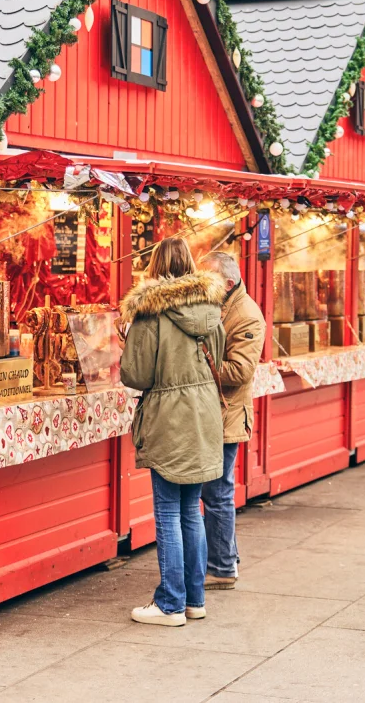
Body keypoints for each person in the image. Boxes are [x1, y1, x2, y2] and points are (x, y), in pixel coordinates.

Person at [120, 237, 226, 627]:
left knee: (167, 510)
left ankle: (170, 603)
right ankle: (194, 599)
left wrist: (125, 342)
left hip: (168, 416)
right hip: (203, 415)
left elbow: (136, 374)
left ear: (155, 268)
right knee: (191, 511)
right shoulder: (212, 308)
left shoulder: (150, 313)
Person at [200, 252, 265, 590]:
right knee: (215, 492)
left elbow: (239, 372)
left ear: (227, 283)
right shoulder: (220, 302)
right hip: (212, 413)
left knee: (218, 493)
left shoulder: (248, 315)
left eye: (207, 278)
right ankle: (225, 561)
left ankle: (222, 568)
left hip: (226, 417)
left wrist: (196, 364)